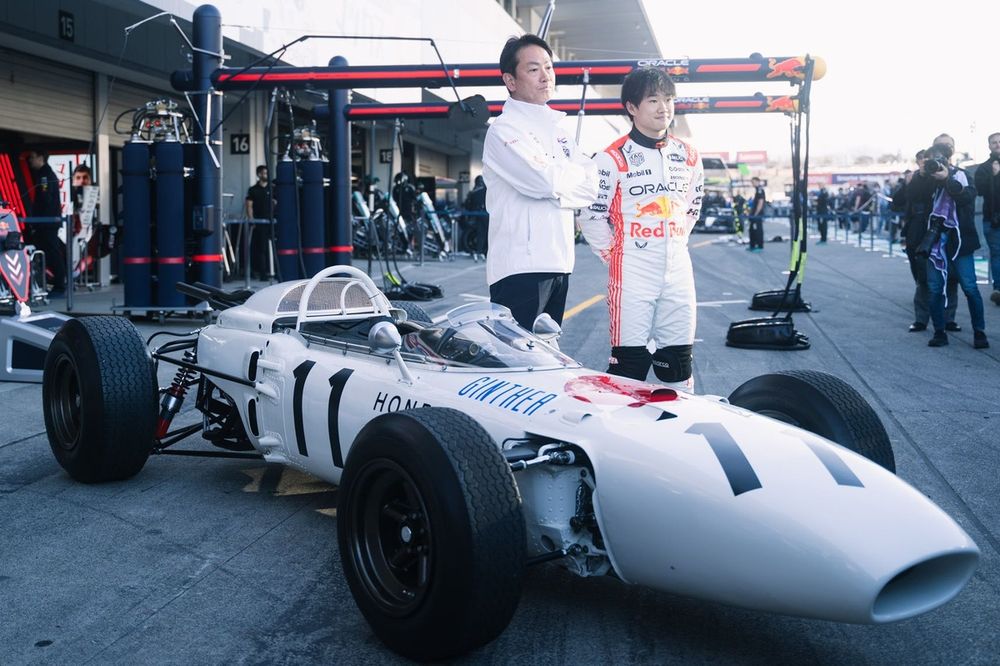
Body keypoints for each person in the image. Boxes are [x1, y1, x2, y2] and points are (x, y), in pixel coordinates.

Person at [578, 67, 704, 391]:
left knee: (678, 365)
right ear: (632, 108)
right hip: (632, 270)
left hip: (678, 268)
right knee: (629, 368)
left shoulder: (688, 155)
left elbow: (692, 208)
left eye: (668, 99)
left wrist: (672, 243)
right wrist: (617, 255)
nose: (664, 108)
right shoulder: (611, 157)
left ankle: (677, 436)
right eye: (653, 100)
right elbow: (590, 216)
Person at [481, 34, 598, 328]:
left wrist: (558, 185)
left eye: (548, 67)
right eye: (534, 69)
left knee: (549, 355)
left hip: (559, 262)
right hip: (520, 267)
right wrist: (562, 181)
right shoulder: (503, 130)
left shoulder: (560, 131)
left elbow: (591, 185)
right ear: (510, 80)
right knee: (519, 362)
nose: (545, 76)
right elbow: (544, 182)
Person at [919, 139, 987, 348]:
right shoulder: (925, 179)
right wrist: (922, 175)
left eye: (939, 160)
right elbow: (912, 197)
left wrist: (947, 178)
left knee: (969, 287)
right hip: (934, 241)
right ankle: (939, 331)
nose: (935, 165)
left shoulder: (962, 175)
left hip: (960, 239)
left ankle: (979, 332)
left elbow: (966, 198)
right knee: (934, 287)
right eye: (931, 161)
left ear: (948, 159)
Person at [893, 149, 957, 332]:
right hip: (917, 231)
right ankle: (921, 319)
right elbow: (903, 200)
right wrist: (915, 179)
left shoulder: (941, 175)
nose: (924, 163)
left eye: (927, 160)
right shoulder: (914, 179)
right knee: (921, 277)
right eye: (921, 160)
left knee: (949, 277)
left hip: (940, 229)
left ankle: (949, 319)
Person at [25, 150, 66, 295]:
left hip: (46, 222)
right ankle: (56, 282)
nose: (30, 160)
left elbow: (45, 199)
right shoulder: (45, 174)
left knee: (51, 252)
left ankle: (60, 285)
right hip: (47, 222)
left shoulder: (45, 175)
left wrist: (39, 221)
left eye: (32, 157)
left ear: (41, 158)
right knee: (47, 252)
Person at [973, 132, 1000, 306]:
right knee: (997, 254)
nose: (997, 144)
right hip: (993, 219)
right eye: (994, 142)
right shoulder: (983, 168)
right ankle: (998, 289)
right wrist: (995, 176)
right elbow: (981, 191)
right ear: (989, 146)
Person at [244, 164, 274, 280]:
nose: (266, 175)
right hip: (260, 223)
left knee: (272, 248)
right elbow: (249, 206)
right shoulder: (253, 190)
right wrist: (252, 221)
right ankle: (262, 273)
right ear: (259, 175)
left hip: (271, 222)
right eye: (263, 173)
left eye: (267, 173)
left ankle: (272, 271)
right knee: (261, 249)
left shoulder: (272, 189)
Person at [463, 174, 489, 262]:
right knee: (488, 234)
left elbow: (467, 204)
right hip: (486, 215)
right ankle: (485, 252)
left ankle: (479, 251)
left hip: (476, 216)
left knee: (481, 234)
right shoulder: (487, 191)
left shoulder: (473, 192)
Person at [747, 176, 765, 251]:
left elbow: (760, 202)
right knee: (752, 229)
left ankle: (759, 246)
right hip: (754, 214)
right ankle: (752, 245)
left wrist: (756, 213)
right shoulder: (757, 190)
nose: (752, 184)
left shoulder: (760, 190)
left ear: (757, 181)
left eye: (753, 182)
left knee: (758, 230)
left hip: (757, 214)